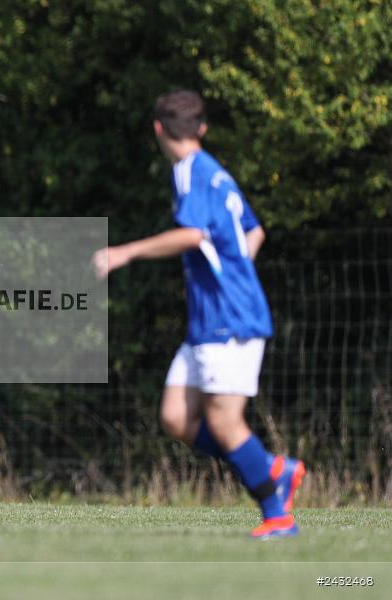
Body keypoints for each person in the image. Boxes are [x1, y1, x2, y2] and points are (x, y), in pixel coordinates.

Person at [93, 90, 306, 539]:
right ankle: (272, 468)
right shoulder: (217, 174)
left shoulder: (191, 172)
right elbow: (255, 231)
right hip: (211, 317)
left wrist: (124, 252)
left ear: (157, 129)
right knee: (176, 417)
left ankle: (277, 513)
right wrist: (232, 272)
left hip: (227, 318)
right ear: (203, 128)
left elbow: (192, 234)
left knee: (225, 422)